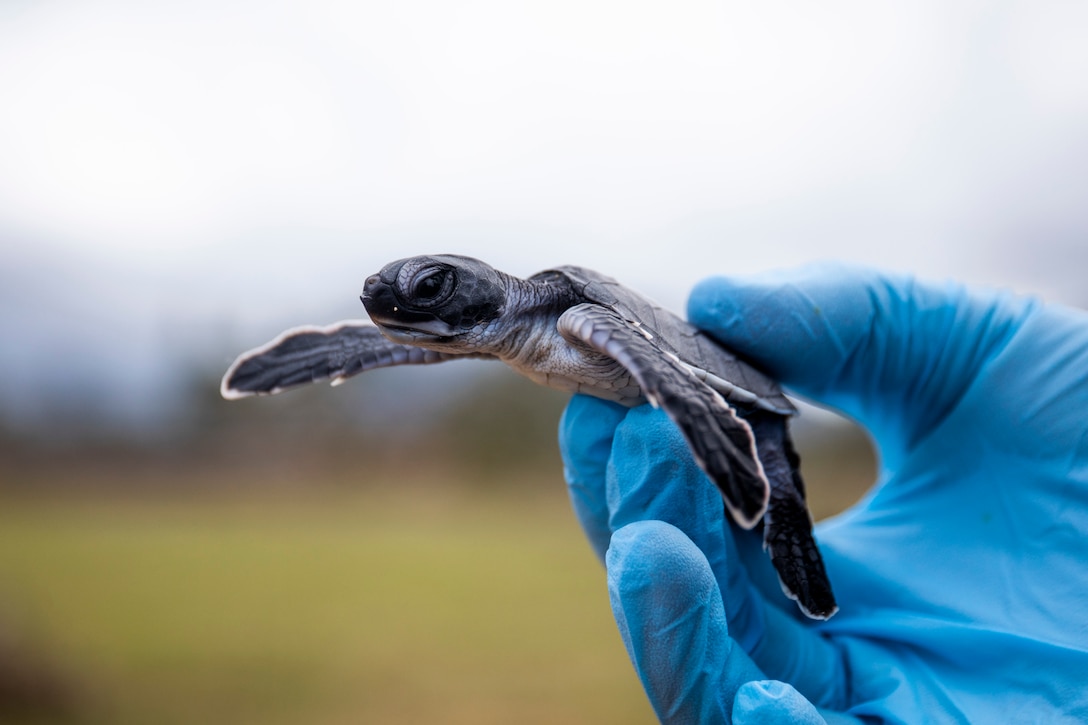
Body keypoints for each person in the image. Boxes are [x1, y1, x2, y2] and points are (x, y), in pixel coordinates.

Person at [558, 264, 1088, 723]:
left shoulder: (576, 314)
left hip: (741, 402)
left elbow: (666, 373)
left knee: (776, 514)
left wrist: (712, 432)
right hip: (720, 407)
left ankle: (795, 559)